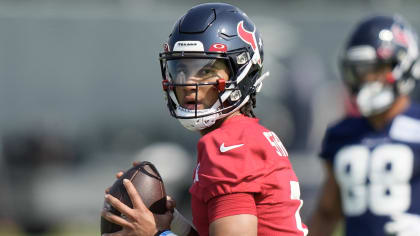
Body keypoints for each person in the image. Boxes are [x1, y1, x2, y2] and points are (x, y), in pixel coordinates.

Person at [101, 2, 308, 236]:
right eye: (181, 69)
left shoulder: (229, 146)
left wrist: (156, 235)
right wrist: (171, 223)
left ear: (241, 72)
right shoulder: (245, 135)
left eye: (205, 70)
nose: (188, 83)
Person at [309, 14, 420, 236]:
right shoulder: (342, 133)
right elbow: (328, 212)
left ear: (403, 65)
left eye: (376, 69)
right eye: (359, 71)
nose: (366, 80)